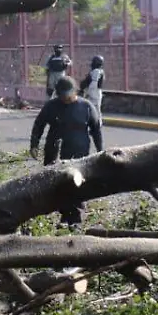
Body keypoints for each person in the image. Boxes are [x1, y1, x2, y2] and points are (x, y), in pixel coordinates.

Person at [30, 75, 104, 227]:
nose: (64, 98)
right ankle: (64, 217)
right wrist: (34, 145)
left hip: (79, 154)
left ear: (74, 91)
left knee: (77, 185)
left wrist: (100, 151)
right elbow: (39, 125)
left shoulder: (87, 107)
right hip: (54, 153)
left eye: (67, 95)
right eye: (61, 95)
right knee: (58, 186)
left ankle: (76, 219)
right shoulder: (51, 106)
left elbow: (96, 130)